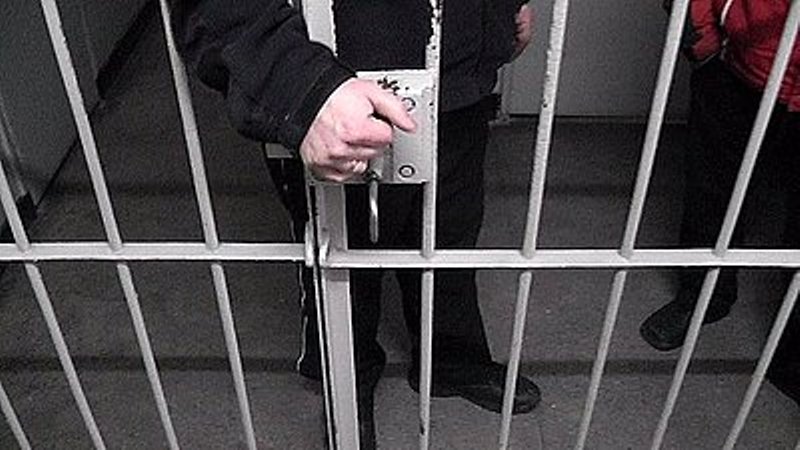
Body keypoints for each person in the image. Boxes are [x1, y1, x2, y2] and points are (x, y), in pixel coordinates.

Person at [173, 0, 540, 447]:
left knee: (449, 235)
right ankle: (349, 384)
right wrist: (299, 88)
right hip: (342, 87)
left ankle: (451, 360)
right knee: (342, 257)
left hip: (459, 73)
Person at [640, 0, 799, 405]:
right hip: (738, 66)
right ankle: (703, 294)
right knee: (712, 193)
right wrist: (701, 35)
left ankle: (794, 353)